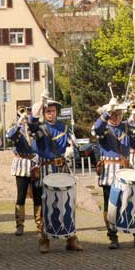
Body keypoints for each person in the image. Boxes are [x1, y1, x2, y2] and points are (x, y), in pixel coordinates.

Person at [93, 98, 135, 250]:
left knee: (133, 202)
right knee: (110, 206)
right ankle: (112, 236)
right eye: (112, 114)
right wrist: (106, 113)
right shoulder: (103, 128)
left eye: (118, 114)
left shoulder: (126, 127)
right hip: (109, 172)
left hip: (126, 170)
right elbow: (97, 128)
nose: (115, 117)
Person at [28, 98, 82, 253]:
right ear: (44, 113)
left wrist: (72, 152)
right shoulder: (41, 128)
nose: (51, 114)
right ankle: (43, 239)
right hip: (45, 170)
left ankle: (71, 238)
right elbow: (32, 127)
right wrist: (35, 112)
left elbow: (77, 146)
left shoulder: (64, 128)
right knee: (44, 206)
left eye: (53, 111)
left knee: (67, 204)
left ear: (57, 112)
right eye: (48, 111)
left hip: (62, 169)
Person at [7, 108, 42, 239]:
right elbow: (10, 135)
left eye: (28, 114)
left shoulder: (35, 129)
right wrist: (19, 123)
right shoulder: (17, 130)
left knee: (38, 196)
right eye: (23, 114)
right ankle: (19, 225)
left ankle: (40, 225)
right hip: (22, 163)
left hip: (36, 163)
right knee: (21, 196)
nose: (26, 116)